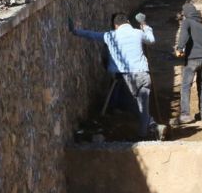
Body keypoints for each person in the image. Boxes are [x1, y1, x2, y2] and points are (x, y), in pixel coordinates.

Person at [69, 12, 163, 141]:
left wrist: (75, 31)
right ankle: (145, 132)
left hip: (125, 78)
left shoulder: (110, 35)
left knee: (127, 103)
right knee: (143, 106)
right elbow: (151, 40)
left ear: (115, 25)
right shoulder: (137, 33)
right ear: (128, 23)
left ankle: (147, 129)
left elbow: (91, 35)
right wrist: (144, 24)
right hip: (143, 74)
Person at [172, 2, 202, 125]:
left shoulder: (187, 22)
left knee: (185, 86)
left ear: (186, 13)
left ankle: (185, 115)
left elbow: (184, 35)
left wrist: (179, 48)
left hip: (192, 59)